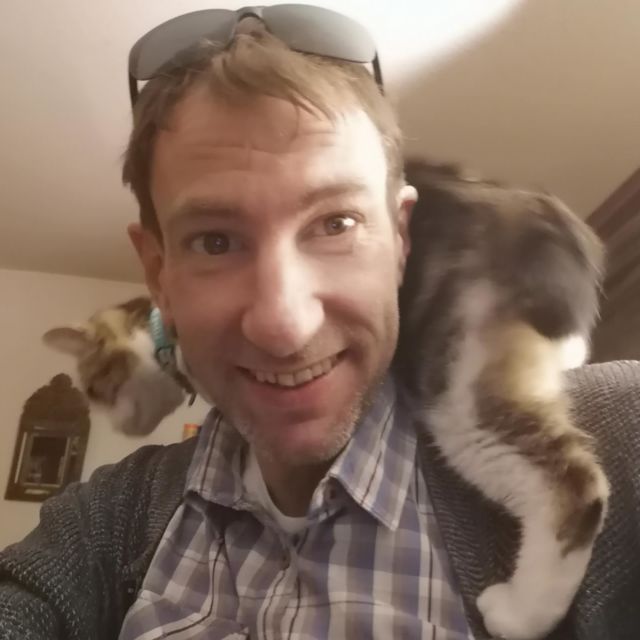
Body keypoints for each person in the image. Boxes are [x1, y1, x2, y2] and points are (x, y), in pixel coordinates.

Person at [1, 6, 639, 639]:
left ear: (400, 238)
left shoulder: (622, 431)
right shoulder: (105, 520)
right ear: (158, 273)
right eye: (215, 241)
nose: (285, 327)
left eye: (336, 223)